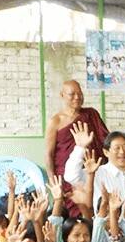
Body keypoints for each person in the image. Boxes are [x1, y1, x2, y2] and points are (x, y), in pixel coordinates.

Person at [45, 80, 109, 217]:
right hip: (67, 176)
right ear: (62, 95)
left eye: (80, 94)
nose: (77, 97)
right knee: (73, 217)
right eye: (72, 94)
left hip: (92, 171)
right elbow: (49, 154)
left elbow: (105, 140)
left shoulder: (91, 114)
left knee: (95, 210)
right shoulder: (55, 121)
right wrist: (53, 181)